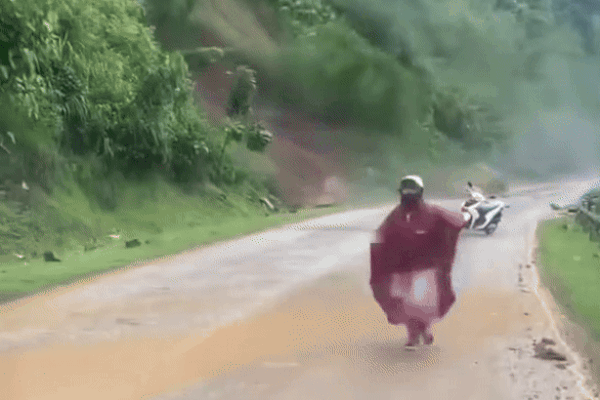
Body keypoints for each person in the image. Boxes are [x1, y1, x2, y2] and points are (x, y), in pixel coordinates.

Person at [370, 175, 467, 349]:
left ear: (420, 192)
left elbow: (455, 222)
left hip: (425, 268)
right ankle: (414, 334)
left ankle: (422, 330)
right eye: (405, 190)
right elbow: (382, 236)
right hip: (401, 268)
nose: (409, 193)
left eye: (412, 190)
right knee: (403, 303)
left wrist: (466, 219)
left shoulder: (432, 213)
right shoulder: (395, 216)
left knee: (420, 303)